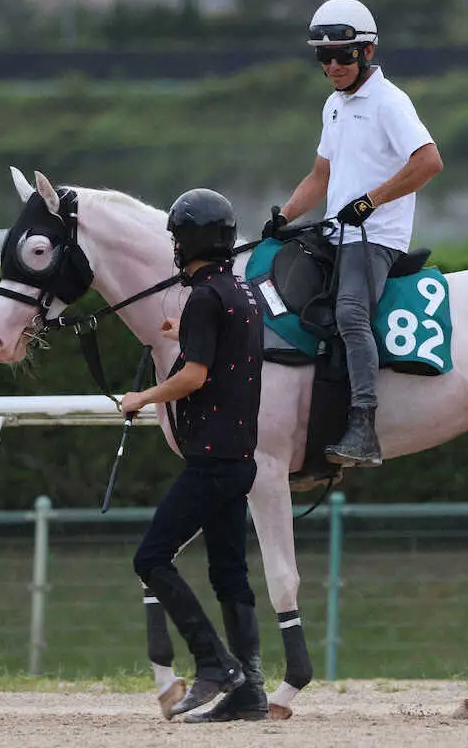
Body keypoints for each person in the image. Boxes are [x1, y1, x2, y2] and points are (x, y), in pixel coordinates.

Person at [262, 0, 443, 468]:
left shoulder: (390, 102)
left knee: (349, 313)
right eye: (324, 57)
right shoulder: (334, 106)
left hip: (375, 238)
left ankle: (364, 425)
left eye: (344, 55)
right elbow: (320, 176)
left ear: (367, 53)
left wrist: (370, 202)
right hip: (337, 235)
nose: (334, 65)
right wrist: (285, 218)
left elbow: (428, 162)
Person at [123, 188, 268, 723]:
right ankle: (250, 692)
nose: (174, 249)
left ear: (189, 240)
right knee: (229, 572)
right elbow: (225, 341)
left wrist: (142, 397)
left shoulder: (205, 298)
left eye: (176, 239)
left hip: (210, 459)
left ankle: (215, 664)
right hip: (239, 457)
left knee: (151, 558)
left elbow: (194, 376)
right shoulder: (242, 292)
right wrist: (182, 331)